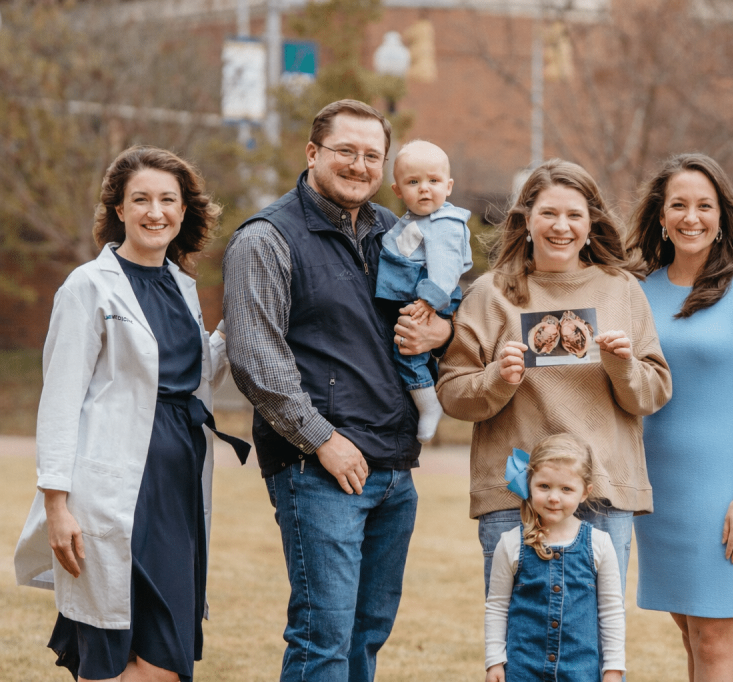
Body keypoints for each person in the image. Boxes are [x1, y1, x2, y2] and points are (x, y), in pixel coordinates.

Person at [222, 99, 454, 682]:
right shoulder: (268, 238)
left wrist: (443, 329)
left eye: (371, 155)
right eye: (345, 151)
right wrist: (322, 440)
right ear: (312, 153)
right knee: (321, 638)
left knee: (366, 635)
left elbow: (437, 310)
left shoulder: (394, 232)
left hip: (394, 466)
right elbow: (256, 359)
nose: (359, 164)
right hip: (318, 468)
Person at [14, 145, 248, 682]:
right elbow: (60, 399)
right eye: (140, 199)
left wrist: (238, 322)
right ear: (118, 210)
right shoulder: (87, 286)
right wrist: (56, 505)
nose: (155, 211)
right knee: (109, 648)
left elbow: (190, 374)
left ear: (184, 211)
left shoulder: (182, 286)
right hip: (111, 491)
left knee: (168, 656)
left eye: (168, 199)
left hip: (178, 485)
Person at [436, 158, 672, 595]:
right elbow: (452, 393)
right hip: (515, 493)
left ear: (590, 224)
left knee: (597, 642)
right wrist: (498, 379)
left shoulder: (620, 288)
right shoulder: (490, 294)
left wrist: (624, 368)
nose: (560, 226)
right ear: (526, 220)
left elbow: (654, 392)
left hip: (601, 490)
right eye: (548, 213)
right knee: (517, 637)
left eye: (574, 215)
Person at [627, 153, 733, 681]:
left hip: (730, 490)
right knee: (689, 632)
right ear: (660, 216)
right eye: (678, 205)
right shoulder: (639, 293)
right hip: (661, 493)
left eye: (704, 205)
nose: (691, 217)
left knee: (716, 638)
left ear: (723, 217)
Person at [484, 433, 626, 682]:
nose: (554, 497)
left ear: (585, 492)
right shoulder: (510, 543)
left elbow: (612, 611)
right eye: (544, 486)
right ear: (530, 483)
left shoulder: (599, 544)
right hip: (522, 671)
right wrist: (494, 661)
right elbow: (497, 606)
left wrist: (613, 669)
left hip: (580, 672)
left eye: (566, 489)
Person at [376, 139, 473, 443]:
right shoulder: (416, 219)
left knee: (408, 349)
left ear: (449, 186)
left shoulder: (444, 223)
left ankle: (428, 404)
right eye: (413, 182)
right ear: (397, 190)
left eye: (434, 181)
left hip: (430, 299)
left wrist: (430, 302)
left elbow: (446, 268)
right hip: (416, 296)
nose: (424, 189)